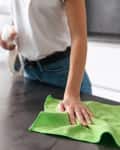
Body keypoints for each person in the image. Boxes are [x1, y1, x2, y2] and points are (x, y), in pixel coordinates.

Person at [0, 0, 93, 126]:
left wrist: (72, 94)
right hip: (29, 75)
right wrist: (8, 41)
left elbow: (79, 38)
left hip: (64, 78)